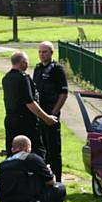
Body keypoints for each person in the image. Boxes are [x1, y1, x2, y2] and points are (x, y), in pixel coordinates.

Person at [0, 135, 66, 202]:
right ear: (28, 148)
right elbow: (51, 181)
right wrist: (48, 171)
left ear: (12, 149)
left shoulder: (2, 165)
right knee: (60, 188)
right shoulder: (32, 158)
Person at [2, 51, 57, 159]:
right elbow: (30, 102)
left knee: (13, 152)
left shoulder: (6, 78)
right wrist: (46, 118)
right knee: (37, 152)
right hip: (26, 122)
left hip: (11, 120)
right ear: (22, 63)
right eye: (26, 62)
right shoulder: (23, 78)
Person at [33, 41, 68, 182]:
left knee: (53, 150)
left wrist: (54, 113)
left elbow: (64, 93)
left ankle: (57, 181)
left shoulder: (57, 69)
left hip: (51, 114)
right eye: (40, 52)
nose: (42, 55)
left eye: (45, 52)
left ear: (52, 53)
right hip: (39, 114)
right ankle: (44, 179)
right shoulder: (37, 68)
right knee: (41, 149)